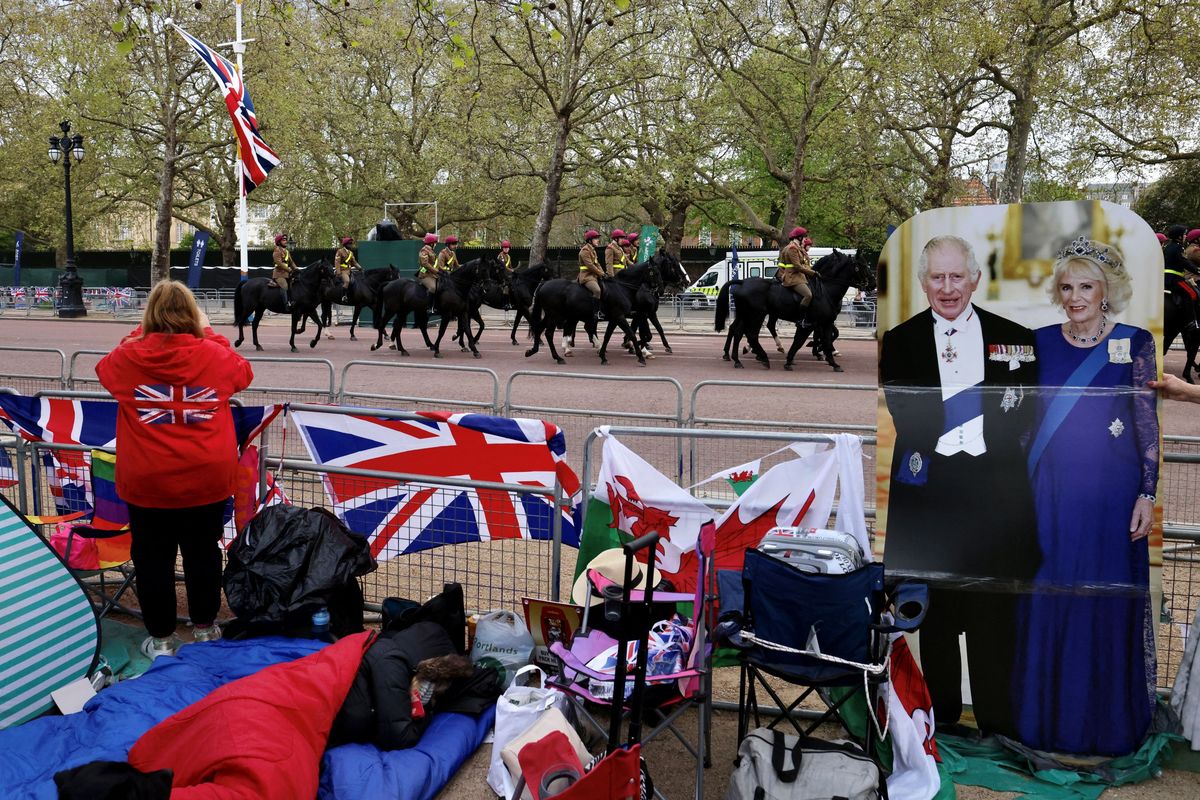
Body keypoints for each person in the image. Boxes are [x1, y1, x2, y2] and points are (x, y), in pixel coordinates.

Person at [879, 235, 1039, 737]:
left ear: (975, 279)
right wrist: (971, 420)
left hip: (996, 497)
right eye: (937, 278)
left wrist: (968, 424)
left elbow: (1024, 414)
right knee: (938, 617)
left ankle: (998, 725)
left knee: (993, 618)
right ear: (924, 283)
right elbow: (908, 416)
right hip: (932, 500)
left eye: (956, 276)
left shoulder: (1016, 338)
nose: (947, 288)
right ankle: (942, 721)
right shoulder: (900, 341)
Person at [1014, 238, 1158, 755]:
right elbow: (1024, 426)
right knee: (1048, 599)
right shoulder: (1038, 342)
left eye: (1087, 286)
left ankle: (1103, 727)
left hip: (1109, 501)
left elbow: (1146, 422)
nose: (1075, 297)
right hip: (1048, 498)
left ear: (1106, 291)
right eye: (1067, 287)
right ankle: (1043, 725)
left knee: (1101, 604)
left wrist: (1147, 491)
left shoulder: (1136, 342)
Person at [96, 281, 253, 660]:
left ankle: (162, 638)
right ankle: (204, 627)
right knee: (203, 555)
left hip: (148, 481)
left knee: (152, 560)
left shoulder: (129, 358)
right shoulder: (214, 355)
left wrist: (143, 331)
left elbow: (107, 366)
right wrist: (208, 332)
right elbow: (242, 373)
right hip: (206, 479)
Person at [1164, 224, 1198, 329]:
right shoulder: (1178, 247)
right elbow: (1184, 262)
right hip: (1175, 279)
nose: (1185, 236)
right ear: (1179, 236)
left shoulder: (1168, 247)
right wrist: (1197, 270)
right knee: (1192, 294)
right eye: (1183, 235)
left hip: (1167, 279)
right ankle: (1191, 321)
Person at [778, 227, 819, 310]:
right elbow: (798, 266)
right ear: (799, 238)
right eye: (804, 238)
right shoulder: (792, 248)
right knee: (808, 295)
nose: (805, 240)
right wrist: (813, 273)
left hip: (797, 276)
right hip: (793, 278)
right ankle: (801, 318)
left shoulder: (796, 248)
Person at [271, 234, 296, 311]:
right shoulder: (277, 250)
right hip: (279, 274)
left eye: (285, 240)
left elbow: (291, 262)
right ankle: (286, 305)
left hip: (287, 274)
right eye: (283, 240)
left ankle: (293, 301)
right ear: (279, 242)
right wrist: (289, 270)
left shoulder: (287, 251)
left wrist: (296, 269)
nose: (285, 242)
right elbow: (279, 263)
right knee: (284, 286)